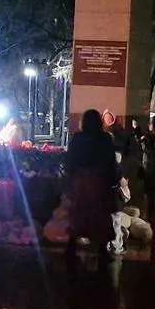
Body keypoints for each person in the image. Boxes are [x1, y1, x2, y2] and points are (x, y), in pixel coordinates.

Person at [63, 108, 122, 255]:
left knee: (79, 212)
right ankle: (102, 250)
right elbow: (110, 162)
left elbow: (70, 160)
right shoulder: (106, 138)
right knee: (100, 214)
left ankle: (71, 246)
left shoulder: (78, 138)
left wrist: (70, 178)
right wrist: (113, 179)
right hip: (99, 181)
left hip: (81, 180)